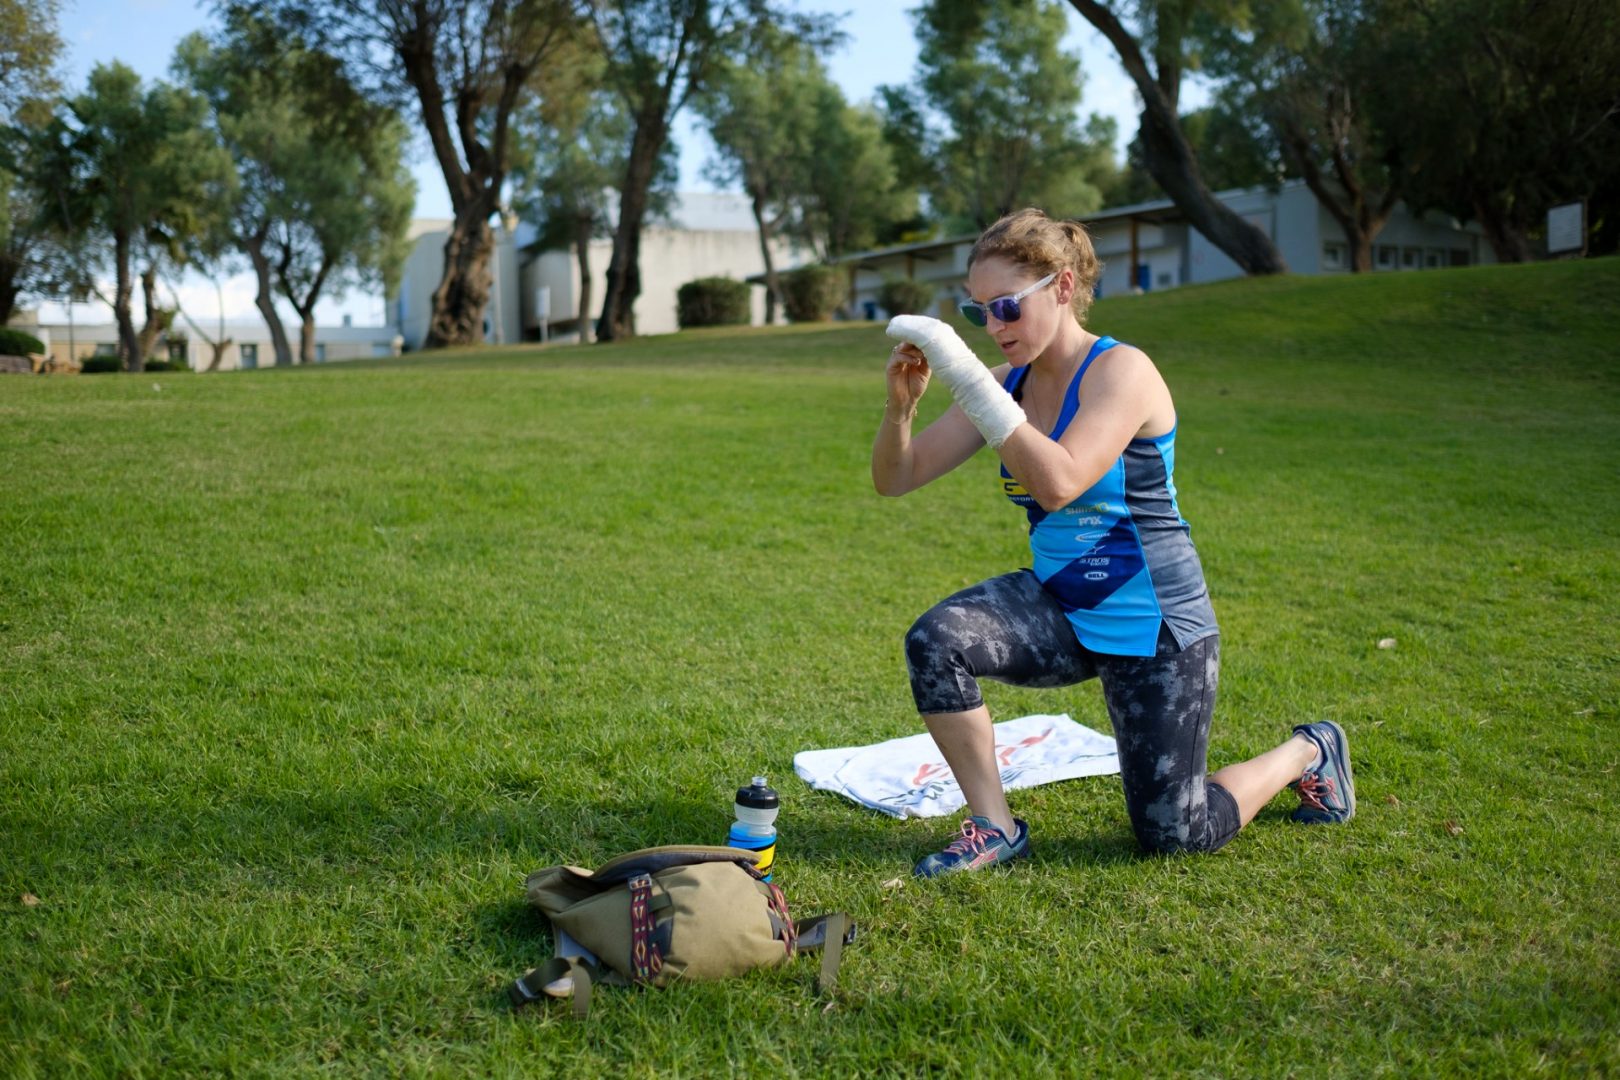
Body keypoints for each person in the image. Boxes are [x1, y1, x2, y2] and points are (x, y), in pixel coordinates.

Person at [872, 208, 1355, 878]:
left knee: (1174, 834)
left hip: (1154, 622)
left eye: (1007, 307)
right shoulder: (1005, 387)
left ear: (1064, 289)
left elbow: (1059, 482)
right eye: (977, 310)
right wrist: (902, 408)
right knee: (936, 640)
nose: (993, 328)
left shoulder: (1121, 371)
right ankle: (996, 827)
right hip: (1062, 606)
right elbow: (898, 478)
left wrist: (973, 383)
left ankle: (1309, 750)